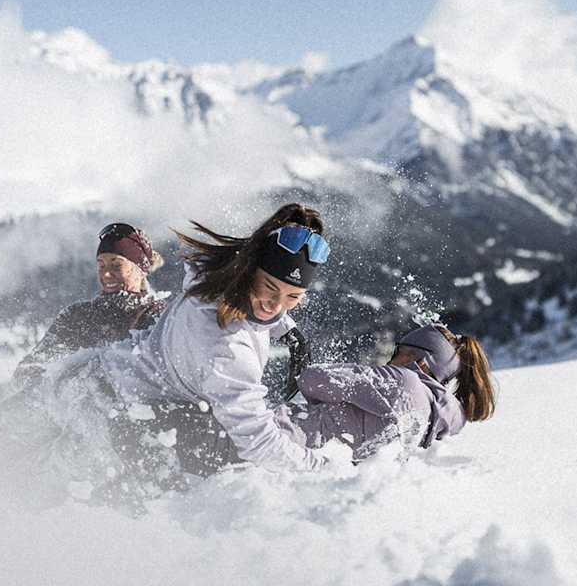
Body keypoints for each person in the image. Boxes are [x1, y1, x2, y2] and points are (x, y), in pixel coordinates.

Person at [93, 202, 332, 476]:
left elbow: (265, 307)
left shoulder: (217, 277)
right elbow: (259, 442)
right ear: (250, 271)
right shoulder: (226, 346)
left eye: (293, 297)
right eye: (269, 288)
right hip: (115, 410)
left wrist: (287, 331)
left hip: (113, 374)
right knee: (227, 460)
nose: (276, 306)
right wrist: (326, 471)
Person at [286, 323, 496, 462]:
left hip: (283, 439)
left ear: (421, 362)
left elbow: (312, 378)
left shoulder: (402, 381)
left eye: (399, 351)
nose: (391, 359)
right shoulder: (434, 419)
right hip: (313, 463)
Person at [12, 222, 166, 390]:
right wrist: (48, 379)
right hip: (70, 414)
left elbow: (155, 377)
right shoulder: (77, 316)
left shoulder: (158, 317)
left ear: (141, 270)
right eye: (101, 265)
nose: (106, 274)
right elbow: (26, 370)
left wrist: (85, 375)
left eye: (116, 265)